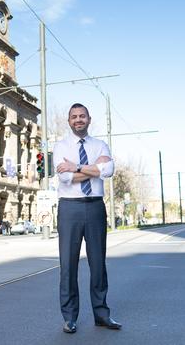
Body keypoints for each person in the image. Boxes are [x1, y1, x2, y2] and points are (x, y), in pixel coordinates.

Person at [53, 103, 121, 334]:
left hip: (95, 208)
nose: (78, 120)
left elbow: (109, 170)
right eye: (74, 116)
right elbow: (65, 178)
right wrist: (94, 168)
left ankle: (102, 315)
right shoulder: (60, 146)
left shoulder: (100, 144)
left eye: (82, 116)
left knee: (98, 264)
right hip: (69, 209)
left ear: (89, 119)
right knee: (68, 265)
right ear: (69, 120)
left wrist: (78, 166)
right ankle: (70, 318)